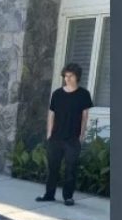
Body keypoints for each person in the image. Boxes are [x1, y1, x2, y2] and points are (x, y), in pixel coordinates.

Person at [36, 62, 93, 206]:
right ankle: (49, 194)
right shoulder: (57, 94)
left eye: (70, 76)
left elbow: (85, 116)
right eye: (65, 76)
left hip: (72, 139)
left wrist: (81, 135)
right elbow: (51, 114)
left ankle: (68, 197)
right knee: (52, 168)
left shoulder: (83, 94)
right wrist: (49, 133)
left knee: (70, 168)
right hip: (55, 138)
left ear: (77, 77)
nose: (67, 79)